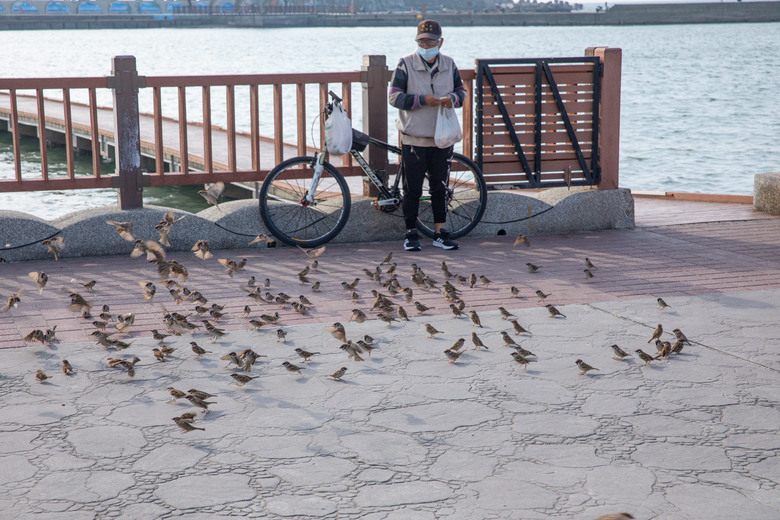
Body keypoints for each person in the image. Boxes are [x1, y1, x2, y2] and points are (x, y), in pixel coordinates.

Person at [388, 19, 467, 252]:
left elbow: (461, 92)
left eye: (430, 41)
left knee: (439, 187)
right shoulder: (405, 64)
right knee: (411, 188)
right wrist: (423, 100)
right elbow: (394, 97)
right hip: (414, 137)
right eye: (422, 41)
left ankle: (440, 232)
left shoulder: (450, 64)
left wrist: (451, 99)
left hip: (442, 138)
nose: (426, 45)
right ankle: (410, 233)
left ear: (440, 42)